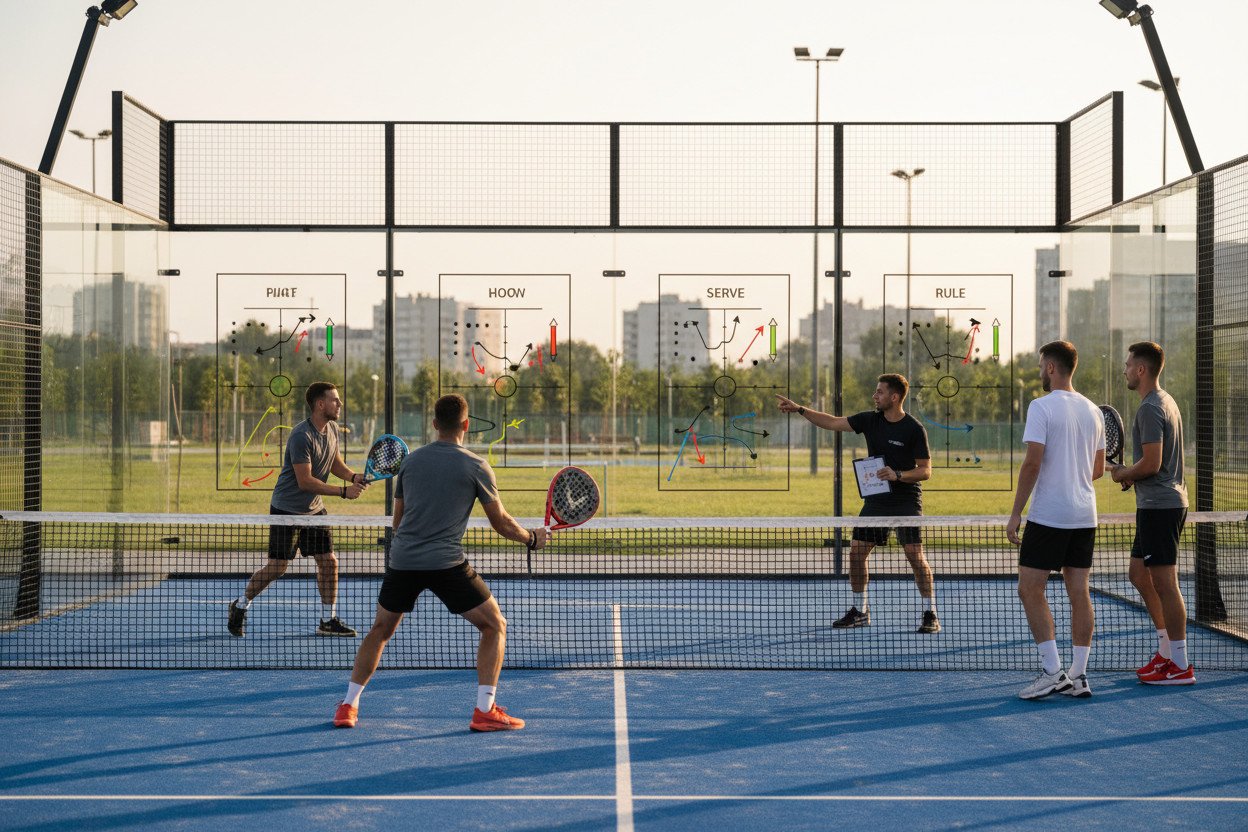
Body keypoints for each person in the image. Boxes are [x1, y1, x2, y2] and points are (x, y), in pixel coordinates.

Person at [333, 393, 548, 732]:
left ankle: (348, 706)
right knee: (494, 625)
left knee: (380, 630)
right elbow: (501, 522)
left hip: (403, 560)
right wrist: (531, 538)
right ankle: (484, 710)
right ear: (467, 425)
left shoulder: (410, 463)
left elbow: (398, 522)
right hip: (447, 564)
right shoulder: (476, 466)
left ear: (434, 424)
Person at [777, 373, 938, 634]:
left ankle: (930, 613)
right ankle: (860, 611)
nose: (875, 396)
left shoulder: (914, 429)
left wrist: (898, 475)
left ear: (894, 397)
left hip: (906, 500)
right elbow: (832, 422)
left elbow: (925, 470)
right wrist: (800, 409)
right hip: (877, 501)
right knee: (856, 553)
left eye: (880, 392)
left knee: (914, 554)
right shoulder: (869, 420)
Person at [228, 382, 368, 638]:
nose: (340, 404)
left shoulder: (332, 428)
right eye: (335, 400)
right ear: (320, 404)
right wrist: (343, 492)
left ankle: (328, 620)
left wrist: (353, 476)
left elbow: (333, 461)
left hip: (314, 510)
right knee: (278, 567)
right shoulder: (301, 436)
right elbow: (305, 481)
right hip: (287, 510)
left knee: (329, 562)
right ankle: (240, 605)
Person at [1007, 341, 1104, 700]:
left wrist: (1016, 513)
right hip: (1085, 515)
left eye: (1040, 366)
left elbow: (1032, 462)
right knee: (1079, 591)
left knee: (1029, 588)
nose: (1039, 372)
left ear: (1050, 367)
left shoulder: (1041, 406)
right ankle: (1078, 675)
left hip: (1050, 515)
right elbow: (1097, 469)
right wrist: (1071, 475)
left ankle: (1052, 672)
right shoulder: (1093, 411)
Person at [1110, 341, 1194, 685]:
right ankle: (1166, 651)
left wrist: (1123, 473)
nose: (1125, 370)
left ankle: (1181, 664)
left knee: (1165, 583)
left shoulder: (1149, 407)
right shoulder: (1165, 400)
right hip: (1156, 504)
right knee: (1138, 575)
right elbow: (1154, 464)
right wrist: (1133, 475)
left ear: (1141, 369)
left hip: (1162, 506)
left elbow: (1152, 463)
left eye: (1128, 364)